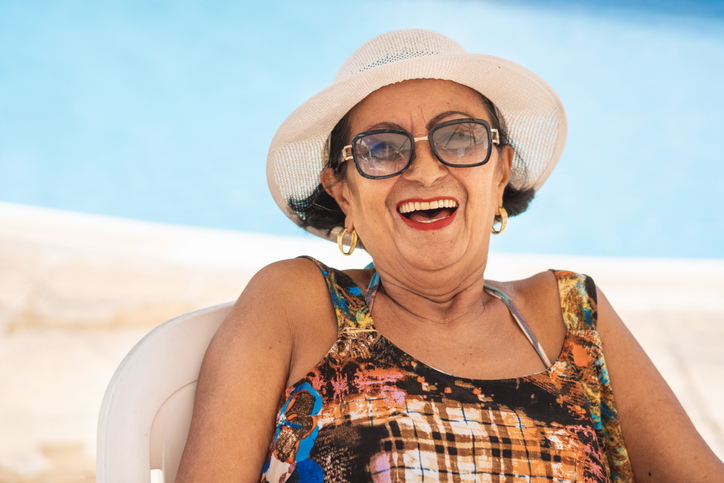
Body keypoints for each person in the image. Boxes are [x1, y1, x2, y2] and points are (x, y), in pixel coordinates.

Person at [175, 30, 724, 482]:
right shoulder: (294, 303)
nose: (425, 170)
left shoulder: (574, 314)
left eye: (458, 138)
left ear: (502, 168)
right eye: (381, 149)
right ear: (343, 191)